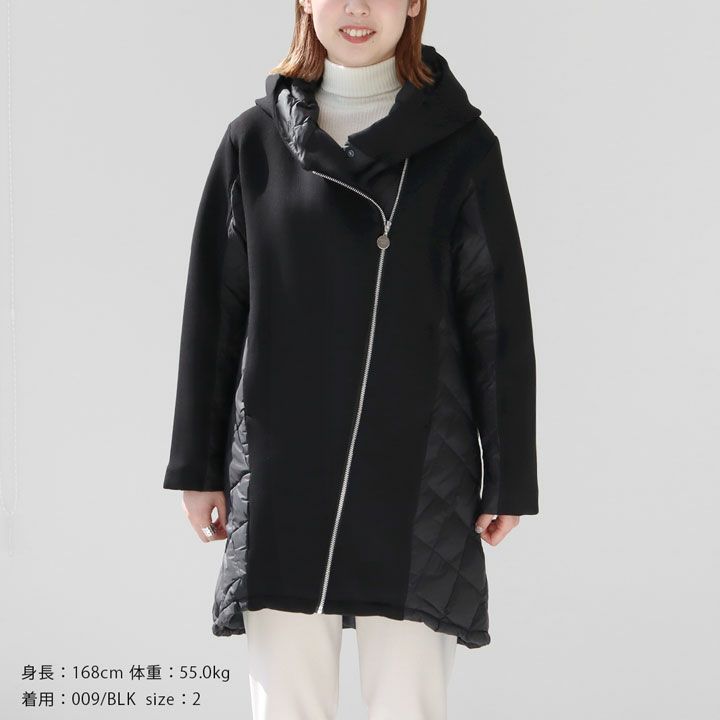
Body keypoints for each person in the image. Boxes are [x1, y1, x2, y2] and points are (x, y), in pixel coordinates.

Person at [163, 1, 539, 718]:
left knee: (408, 704)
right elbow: (214, 313)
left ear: (414, 3)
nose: (357, 8)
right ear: (305, 2)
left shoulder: (461, 144)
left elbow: (496, 319)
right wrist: (198, 467)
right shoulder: (253, 141)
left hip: (419, 470)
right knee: (288, 704)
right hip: (281, 469)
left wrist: (509, 473)